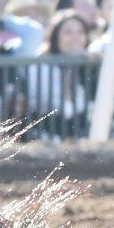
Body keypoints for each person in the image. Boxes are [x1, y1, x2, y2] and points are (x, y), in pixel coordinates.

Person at [19, 11, 94, 140]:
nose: (75, 38)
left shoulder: (90, 64)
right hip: (47, 136)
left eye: (80, 32)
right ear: (55, 37)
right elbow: (66, 110)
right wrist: (71, 69)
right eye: (68, 32)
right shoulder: (40, 67)